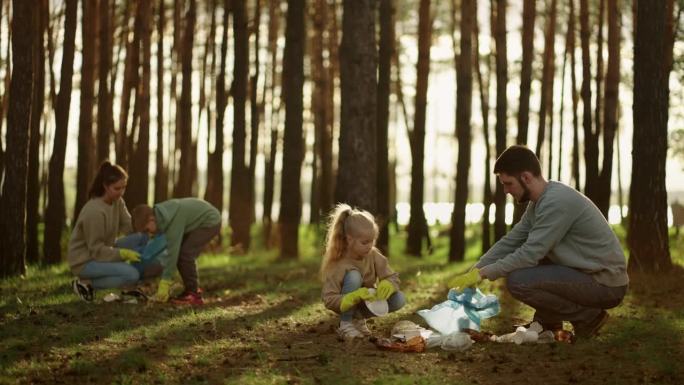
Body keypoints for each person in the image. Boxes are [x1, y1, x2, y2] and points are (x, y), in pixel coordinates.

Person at [450, 145, 629, 338]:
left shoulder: (556, 202)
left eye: (508, 183)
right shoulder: (539, 202)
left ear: (526, 177)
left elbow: (529, 254)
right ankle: (547, 324)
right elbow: (511, 241)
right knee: (533, 268)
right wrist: (475, 271)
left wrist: (484, 274)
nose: (505, 190)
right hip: (585, 275)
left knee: (519, 281)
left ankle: (588, 318)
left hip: (605, 283)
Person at [321, 204, 406, 340]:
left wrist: (389, 284)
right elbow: (328, 299)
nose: (369, 246)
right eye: (364, 242)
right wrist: (350, 297)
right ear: (349, 239)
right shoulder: (339, 262)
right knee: (354, 276)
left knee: (399, 298)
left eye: (372, 241)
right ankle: (346, 324)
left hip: (367, 301)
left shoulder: (373, 255)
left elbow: (392, 276)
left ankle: (359, 319)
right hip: (346, 304)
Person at [68, 161, 147, 301]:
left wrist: (146, 225)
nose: (121, 192)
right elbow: (97, 251)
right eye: (117, 188)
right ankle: (85, 283)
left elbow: (129, 227)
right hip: (85, 260)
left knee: (142, 238)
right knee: (131, 275)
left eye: (124, 187)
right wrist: (122, 254)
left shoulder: (118, 202)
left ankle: (141, 272)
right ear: (105, 186)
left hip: (105, 249)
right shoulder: (94, 211)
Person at [131, 198, 221, 305]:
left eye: (147, 230)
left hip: (210, 221)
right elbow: (159, 245)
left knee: (185, 254)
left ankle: (194, 294)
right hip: (196, 222)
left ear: (151, 219)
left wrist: (165, 282)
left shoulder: (173, 220)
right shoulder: (162, 215)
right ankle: (190, 290)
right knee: (182, 254)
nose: (149, 234)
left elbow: (172, 254)